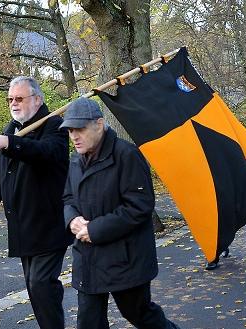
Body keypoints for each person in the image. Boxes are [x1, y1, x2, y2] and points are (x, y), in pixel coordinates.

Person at [60, 98, 178, 329]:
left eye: (80, 129)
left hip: (125, 258)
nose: (74, 136)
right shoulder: (75, 160)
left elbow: (139, 205)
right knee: (88, 322)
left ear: (100, 124)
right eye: (71, 130)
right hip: (88, 258)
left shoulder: (127, 155)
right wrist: (72, 218)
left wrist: (93, 230)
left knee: (139, 314)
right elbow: (67, 198)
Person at [0, 76, 71, 329]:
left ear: (37, 99)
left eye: (19, 98)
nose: (13, 104)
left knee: (41, 284)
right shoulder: (11, 129)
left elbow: (46, 153)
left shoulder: (55, 125)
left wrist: (9, 143)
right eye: (10, 99)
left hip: (49, 223)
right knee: (35, 287)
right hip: (22, 225)